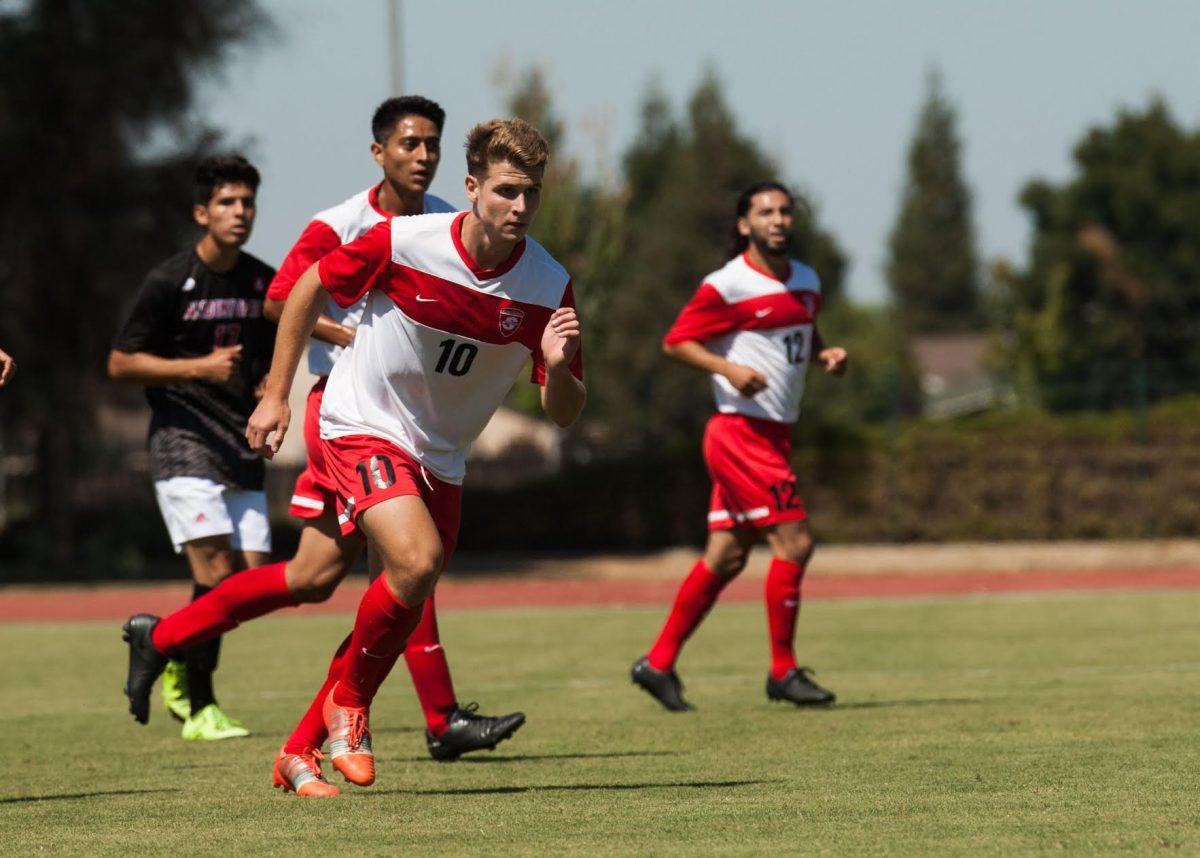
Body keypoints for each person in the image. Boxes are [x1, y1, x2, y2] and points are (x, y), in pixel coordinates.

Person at [119, 97, 525, 762]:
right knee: (409, 561)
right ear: (379, 153)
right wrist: (331, 351)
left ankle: (161, 638)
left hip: (410, 418)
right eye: (409, 144)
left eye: (432, 146)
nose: (422, 157)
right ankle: (435, 717)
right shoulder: (342, 222)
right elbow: (284, 297)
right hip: (351, 412)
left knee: (313, 577)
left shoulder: (451, 220)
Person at [630, 181, 848, 712]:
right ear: (744, 225)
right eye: (765, 212)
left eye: (785, 211)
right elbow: (676, 341)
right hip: (739, 432)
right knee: (795, 545)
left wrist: (823, 354)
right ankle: (783, 671)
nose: (778, 219)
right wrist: (727, 368)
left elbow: (802, 326)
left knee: (726, 557)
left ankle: (657, 664)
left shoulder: (807, 281)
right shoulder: (727, 285)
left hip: (774, 433)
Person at [110, 156, 276, 740]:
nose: (240, 213)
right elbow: (121, 361)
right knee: (217, 568)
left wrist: (269, 394)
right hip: (182, 437)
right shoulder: (169, 280)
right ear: (202, 213)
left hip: (240, 440)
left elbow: (271, 361)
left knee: (251, 581)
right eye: (227, 203)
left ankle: (163, 642)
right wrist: (198, 367)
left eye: (247, 203)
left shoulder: (262, 281)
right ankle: (196, 701)